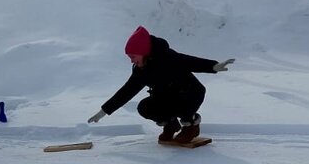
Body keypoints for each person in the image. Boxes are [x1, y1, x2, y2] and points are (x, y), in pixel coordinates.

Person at [87, 26, 234, 144]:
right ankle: (170, 124)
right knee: (144, 107)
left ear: (142, 51)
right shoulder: (141, 70)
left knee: (183, 107)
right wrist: (103, 111)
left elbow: (189, 61)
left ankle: (191, 126)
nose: (131, 61)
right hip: (167, 97)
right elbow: (127, 91)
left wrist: (213, 66)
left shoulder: (167, 57)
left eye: (133, 56)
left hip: (190, 94)